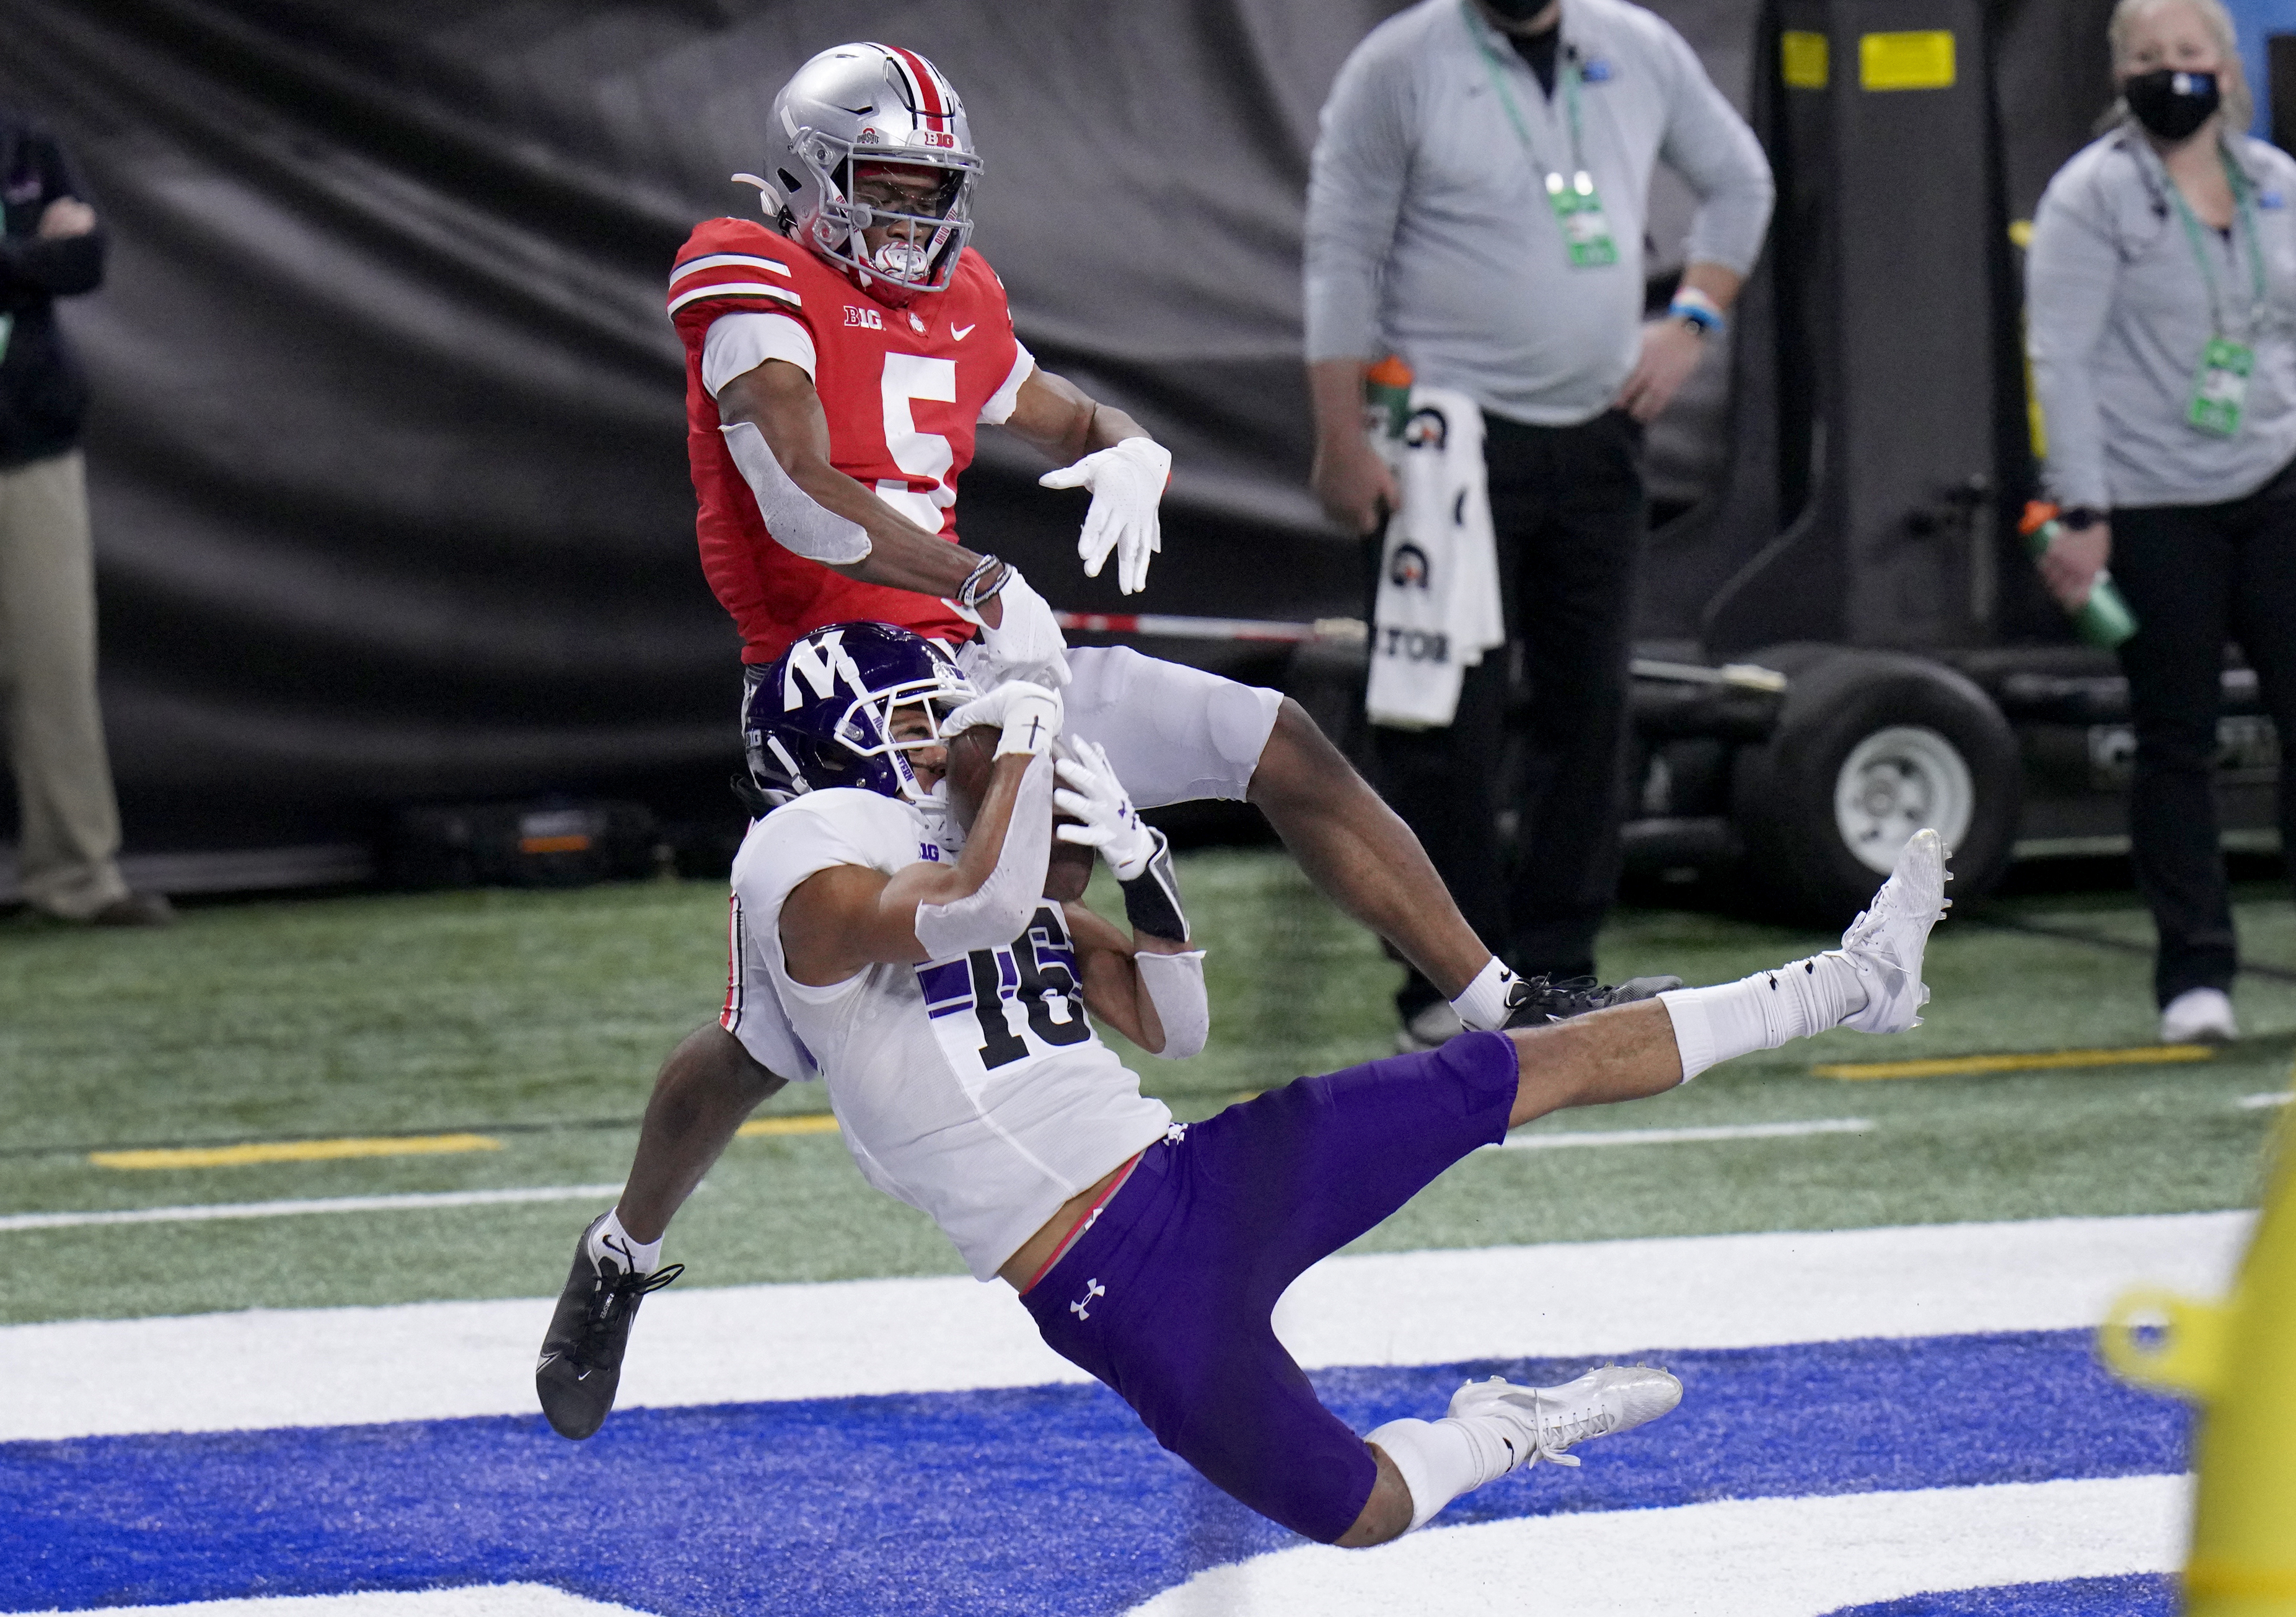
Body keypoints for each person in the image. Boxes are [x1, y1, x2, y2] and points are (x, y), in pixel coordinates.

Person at [534, 619, 1950, 1548]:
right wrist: (1026, 731)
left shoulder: (974, 871)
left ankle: (1853, 981)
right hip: (1109, 1286)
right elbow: (953, 908)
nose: (930, 740)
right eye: (909, 722)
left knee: (1518, 1071)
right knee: (1365, 1510)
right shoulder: (806, 860)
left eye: (937, 718)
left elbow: (1179, 1025)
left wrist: (1149, 876)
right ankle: (1505, 1428)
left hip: (1199, 1173)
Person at [636, 41, 1639, 1203]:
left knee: (1277, 743)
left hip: (973, 649)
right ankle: (629, 1245)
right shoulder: (743, 269)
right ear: (810, 176)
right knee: (789, 1021)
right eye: (883, 188)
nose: (910, 220)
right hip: (829, 668)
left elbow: (1068, 416)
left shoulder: (963, 300)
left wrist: (1129, 448)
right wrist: (980, 580)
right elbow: (796, 495)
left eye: (930, 192)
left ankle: (1500, 1003)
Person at [1302, 0, 1774, 1048]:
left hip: (1599, 433)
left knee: (1591, 703)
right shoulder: (1402, 64)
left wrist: (1691, 320)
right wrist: (1342, 436)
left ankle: (1559, 967)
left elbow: (1742, 181)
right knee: (1437, 715)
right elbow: (1341, 254)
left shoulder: (1635, 47)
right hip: (1440, 442)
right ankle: (1451, 980)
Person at [2027, 0, 2296, 1043]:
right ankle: (2195, 977)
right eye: (2148, 56)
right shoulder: (2089, 196)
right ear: (2120, 72)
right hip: (2148, 504)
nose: (2170, 72)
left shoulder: (2275, 183)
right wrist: (2080, 507)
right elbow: (2062, 357)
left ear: (2227, 70)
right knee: (2173, 739)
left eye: (2188, 54)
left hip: (2275, 488)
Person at [0, 112, 169, 927]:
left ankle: (74, 881)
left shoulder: (29, 148)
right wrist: (29, 257)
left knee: (53, 663)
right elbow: (50, 260)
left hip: (29, 445)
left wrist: (34, 261)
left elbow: (85, 260)